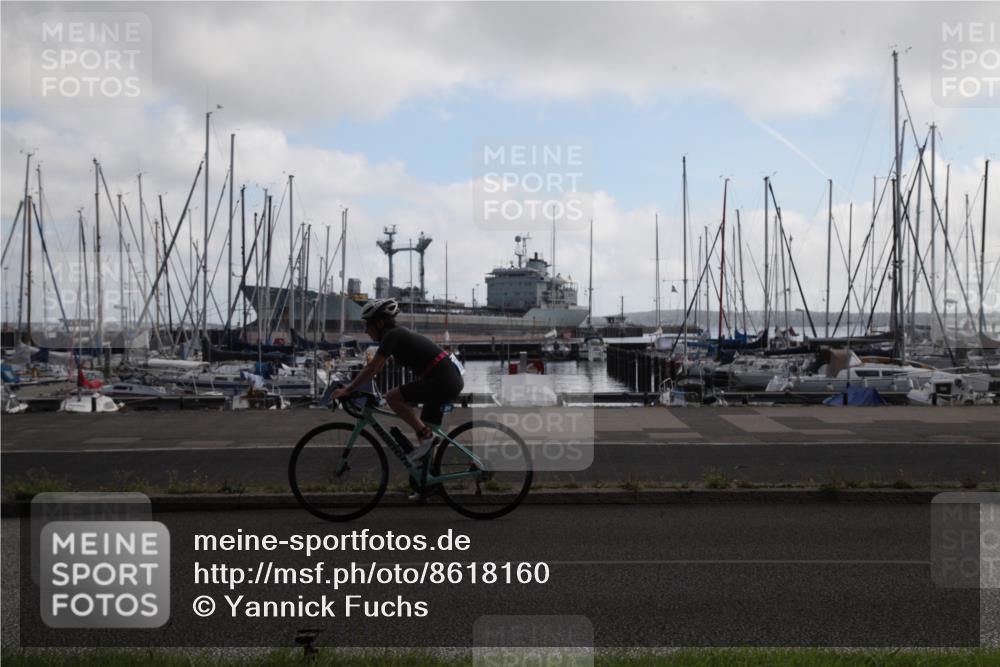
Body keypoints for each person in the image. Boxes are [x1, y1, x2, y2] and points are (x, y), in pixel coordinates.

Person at [330, 298, 464, 462]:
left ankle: (427, 437)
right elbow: (377, 368)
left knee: (393, 398)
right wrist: (356, 387)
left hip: (443, 380)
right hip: (446, 379)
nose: (366, 331)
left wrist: (348, 389)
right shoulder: (396, 334)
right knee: (423, 429)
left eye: (368, 325)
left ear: (379, 323)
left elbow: (372, 368)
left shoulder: (392, 335)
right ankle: (429, 474)